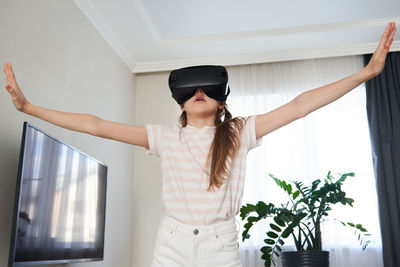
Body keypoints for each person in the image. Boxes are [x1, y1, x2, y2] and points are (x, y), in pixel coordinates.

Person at [3, 22, 397, 267]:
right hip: (171, 241)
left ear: (222, 100)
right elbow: (96, 125)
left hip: (220, 244)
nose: (198, 92)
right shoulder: (164, 137)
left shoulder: (240, 132)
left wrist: (367, 71)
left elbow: (299, 106)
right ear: (180, 100)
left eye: (207, 89)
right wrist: (28, 106)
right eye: (189, 90)